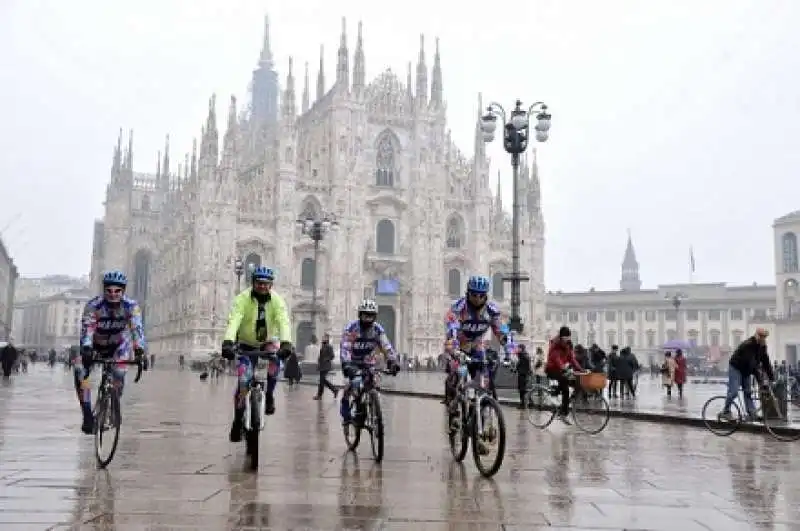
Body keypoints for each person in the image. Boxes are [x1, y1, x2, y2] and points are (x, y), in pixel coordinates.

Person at [221, 265, 293, 442]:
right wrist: (228, 342)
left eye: (266, 283)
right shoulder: (242, 299)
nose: (262, 286)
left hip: (268, 341)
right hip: (246, 343)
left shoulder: (277, 301)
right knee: (243, 383)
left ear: (271, 285)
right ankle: (238, 420)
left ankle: (269, 396)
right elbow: (234, 320)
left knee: (276, 363)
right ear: (253, 283)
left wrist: (286, 343)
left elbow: (283, 321)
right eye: (259, 283)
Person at [74, 270, 147, 434]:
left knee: (119, 374)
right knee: (80, 373)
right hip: (94, 346)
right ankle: (86, 413)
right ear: (104, 290)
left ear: (123, 291)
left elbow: (137, 329)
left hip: (119, 346)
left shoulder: (131, 306)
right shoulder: (94, 306)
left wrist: (140, 350)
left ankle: (112, 406)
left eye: (117, 291)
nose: (113, 294)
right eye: (109, 291)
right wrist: (86, 348)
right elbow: (88, 328)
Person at [339, 299, 400, 425]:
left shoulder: (377, 329)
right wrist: (346, 363)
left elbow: (386, 346)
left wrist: (393, 360)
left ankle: (374, 406)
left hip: (369, 361)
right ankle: (349, 410)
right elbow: (345, 347)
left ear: (375, 316)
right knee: (354, 384)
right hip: (353, 361)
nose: (368, 319)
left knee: (373, 383)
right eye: (365, 315)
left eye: (371, 316)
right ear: (360, 315)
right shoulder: (352, 328)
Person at [444, 275, 510, 389]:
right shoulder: (458, 307)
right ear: (468, 293)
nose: (477, 298)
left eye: (481, 295)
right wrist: (454, 349)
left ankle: (481, 400)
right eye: (474, 295)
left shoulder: (491, 310)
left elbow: (501, 332)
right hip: (458, 343)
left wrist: (509, 351)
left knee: (483, 375)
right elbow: (451, 327)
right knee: (458, 371)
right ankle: (453, 391)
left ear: (486, 295)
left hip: (476, 344)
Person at [721, 328, 774, 420]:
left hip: (746, 370)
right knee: (733, 392)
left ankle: (752, 413)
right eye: (762, 336)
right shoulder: (748, 345)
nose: (763, 339)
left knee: (748, 392)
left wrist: (771, 378)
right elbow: (751, 363)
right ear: (756, 336)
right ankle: (725, 411)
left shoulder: (762, 347)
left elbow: (766, 363)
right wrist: (759, 379)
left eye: (765, 337)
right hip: (736, 367)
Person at [545, 326, 583, 424]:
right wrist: (563, 367)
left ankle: (559, 396)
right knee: (565, 388)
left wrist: (581, 369)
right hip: (552, 369)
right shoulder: (555, 344)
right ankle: (563, 414)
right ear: (561, 337)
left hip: (561, 369)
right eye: (566, 337)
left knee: (576, 381)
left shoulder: (568, 345)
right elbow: (555, 358)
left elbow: (572, 359)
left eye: (569, 336)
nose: (568, 338)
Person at [314, 334, 338, 400]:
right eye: (323, 337)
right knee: (322, 380)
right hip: (322, 366)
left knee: (322, 380)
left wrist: (326, 359)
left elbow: (332, 356)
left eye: (325, 337)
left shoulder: (329, 346)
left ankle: (319, 395)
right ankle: (334, 390)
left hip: (326, 366)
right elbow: (321, 356)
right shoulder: (323, 346)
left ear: (327, 339)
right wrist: (319, 361)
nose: (323, 338)